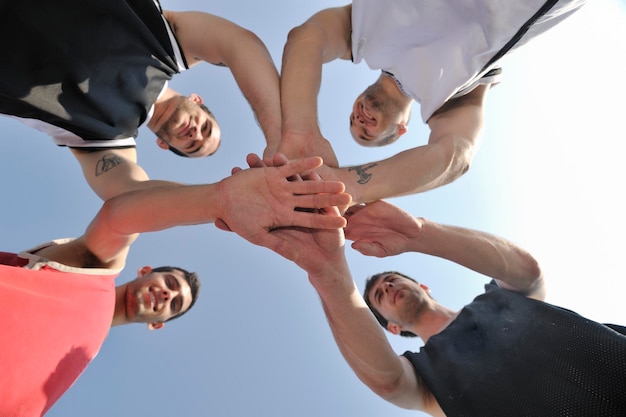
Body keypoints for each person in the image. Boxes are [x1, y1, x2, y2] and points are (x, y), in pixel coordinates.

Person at [0, 154, 350, 417]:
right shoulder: (94, 275)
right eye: (169, 283)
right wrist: (219, 201)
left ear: (157, 322)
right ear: (144, 270)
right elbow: (116, 220)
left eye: (174, 302)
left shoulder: (81, 356)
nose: (167, 294)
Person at [258, 199, 626, 417]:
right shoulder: (425, 378)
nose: (387, 287)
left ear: (422, 286)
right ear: (391, 328)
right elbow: (388, 382)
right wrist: (330, 274)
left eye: (392, 280)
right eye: (378, 298)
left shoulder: (498, 300)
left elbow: (527, 271)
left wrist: (419, 233)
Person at [276, 0, 586, 205]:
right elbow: (456, 156)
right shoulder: (451, 97)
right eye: (366, 134)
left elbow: (308, 37)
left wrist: (300, 135)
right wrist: (344, 186)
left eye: (351, 120)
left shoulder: (360, 36)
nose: (358, 122)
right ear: (401, 130)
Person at [1, 0, 282, 201]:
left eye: (192, 145)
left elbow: (127, 193)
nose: (196, 133)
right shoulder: (168, 45)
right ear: (196, 99)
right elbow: (238, 43)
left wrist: (221, 197)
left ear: (164, 144)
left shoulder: (104, 139)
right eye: (206, 127)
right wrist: (281, 135)